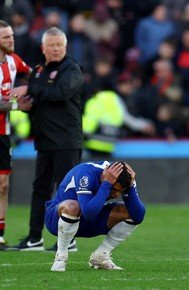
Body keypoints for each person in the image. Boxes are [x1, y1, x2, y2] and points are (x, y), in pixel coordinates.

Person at [10, 27, 84, 251]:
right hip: (45, 141)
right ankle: (34, 238)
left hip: (66, 142)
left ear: (65, 47)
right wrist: (26, 108)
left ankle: (68, 240)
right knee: (40, 190)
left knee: (66, 192)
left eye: (58, 45)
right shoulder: (39, 70)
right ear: (43, 48)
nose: (55, 49)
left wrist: (29, 88)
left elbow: (61, 93)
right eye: (50, 45)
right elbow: (38, 101)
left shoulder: (72, 69)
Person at [45, 160, 146, 272]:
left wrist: (130, 187)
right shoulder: (86, 172)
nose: (117, 194)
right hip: (58, 220)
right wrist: (106, 184)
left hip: (88, 221)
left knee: (129, 211)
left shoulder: (126, 177)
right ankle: (60, 258)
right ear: (105, 175)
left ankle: (101, 256)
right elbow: (88, 212)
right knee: (73, 206)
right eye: (115, 189)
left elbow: (138, 215)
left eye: (121, 191)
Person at [0, 20, 32, 250]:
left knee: (2, 184)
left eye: (11, 36)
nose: (12, 40)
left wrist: (27, 88)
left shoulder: (14, 61)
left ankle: (0, 235)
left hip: (3, 133)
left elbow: (35, 75)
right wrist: (17, 107)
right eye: (6, 38)